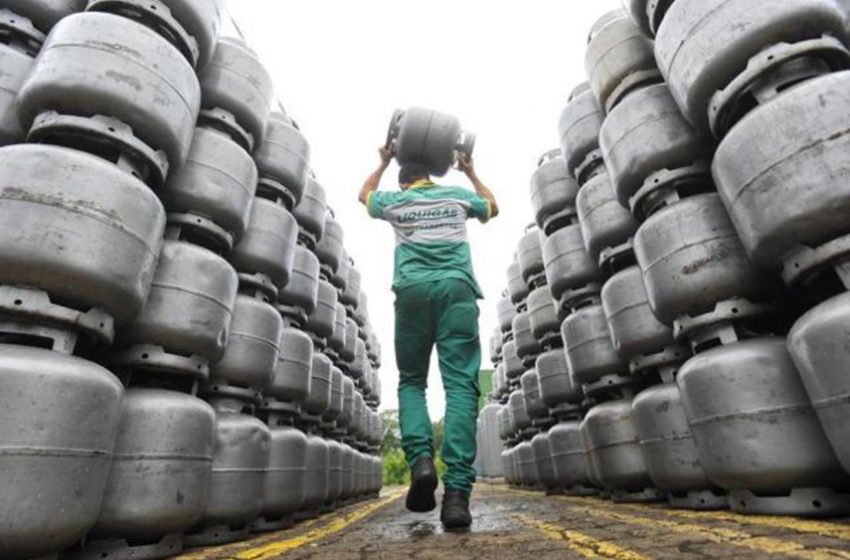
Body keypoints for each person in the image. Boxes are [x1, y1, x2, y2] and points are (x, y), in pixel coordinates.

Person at [359, 145, 498, 530]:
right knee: (460, 388)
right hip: (457, 292)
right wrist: (470, 172)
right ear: (431, 177)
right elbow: (492, 206)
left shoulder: (396, 201)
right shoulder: (456, 196)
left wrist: (383, 161)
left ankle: (421, 461)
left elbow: (363, 195)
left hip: (413, 294)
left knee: (412, 382)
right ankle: (456, 496)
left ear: (405, 181)